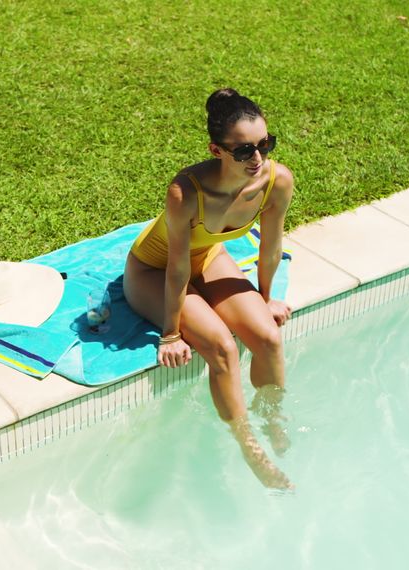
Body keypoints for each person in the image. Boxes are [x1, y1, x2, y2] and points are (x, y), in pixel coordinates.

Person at [124, 88, 295, 490]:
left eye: (264, 145)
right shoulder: (186, 192)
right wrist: (169, 334)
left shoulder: (276, 181)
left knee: (268, 337)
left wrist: (266, 298)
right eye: (243, 151)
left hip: (207, 258)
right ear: (216, 150)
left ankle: (272, 418)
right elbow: (175, 268)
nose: (257, 158)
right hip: (153, 269)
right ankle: (247, 445)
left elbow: (270, 247)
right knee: (222, 347)